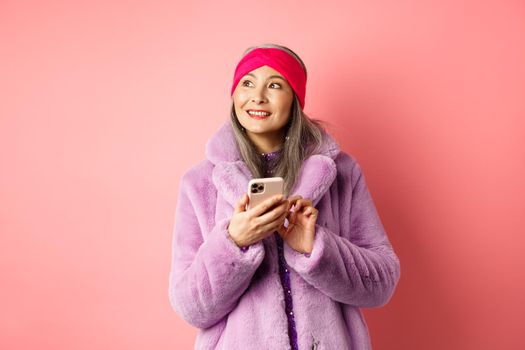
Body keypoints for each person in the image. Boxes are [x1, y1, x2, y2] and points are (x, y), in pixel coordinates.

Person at [168, 43, 401, 350]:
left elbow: (381, 284)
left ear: (295, 98)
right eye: (247, 83)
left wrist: (315, 246)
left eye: (275, 84)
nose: (257, 96)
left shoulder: (342, 174)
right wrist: (234, 244)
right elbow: (189, 307)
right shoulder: (199, 183)